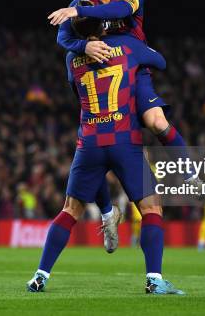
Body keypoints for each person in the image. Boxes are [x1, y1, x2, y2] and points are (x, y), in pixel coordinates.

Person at [49, 0, 192, 253]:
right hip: (96, 70)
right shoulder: (83, 0)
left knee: (155, 120)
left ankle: (189, 171)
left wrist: (75, 12)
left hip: (132, 67)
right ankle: (108, 213)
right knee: (97, 141)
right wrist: (84, 45)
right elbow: (63, 35)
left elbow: (122, 9)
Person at [26, 23, 184, 294]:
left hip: (90, 141)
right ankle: (154, 280)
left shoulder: (71, 57)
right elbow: (160, 61)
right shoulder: (127, 46)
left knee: (69, 210)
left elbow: (77, 91)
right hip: (124, 139)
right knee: (151, 209)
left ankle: (40, 277)